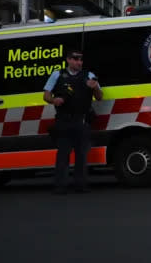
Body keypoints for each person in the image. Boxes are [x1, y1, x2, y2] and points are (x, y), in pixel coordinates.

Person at [42, 49, 103, 194]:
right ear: (68, 60)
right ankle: (60, 186)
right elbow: (46, 95)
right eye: (75, 59)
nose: (79, 62)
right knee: (63, 154)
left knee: (82, 154)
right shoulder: (57, 75)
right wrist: (54, 100)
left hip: (82, 120)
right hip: (64, 120)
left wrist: (94, 88)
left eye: (81, 60)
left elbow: (99, 96)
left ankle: (80, 185)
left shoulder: (89, 75)